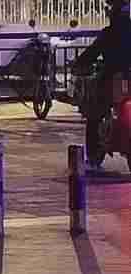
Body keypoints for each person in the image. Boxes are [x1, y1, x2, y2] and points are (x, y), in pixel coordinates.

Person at [72, 0, 131, 170]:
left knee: (94, 111)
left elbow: (89, 55)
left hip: (114, 79)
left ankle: (93, 158)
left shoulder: (109, 33)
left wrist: (79, 64)